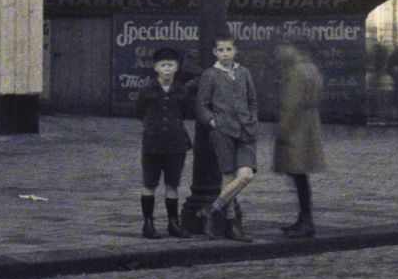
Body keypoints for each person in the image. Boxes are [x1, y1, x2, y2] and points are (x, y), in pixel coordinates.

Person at [195, 34, 259, 241]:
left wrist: (252, 121)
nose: (225, 54)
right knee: (229, 177)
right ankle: (232, 225)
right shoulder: (210, 75)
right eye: (221, 50)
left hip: (246, 132)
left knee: (246, 175)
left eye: (228, 49)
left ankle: (212, 209)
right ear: (215, 52)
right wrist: (213, 122)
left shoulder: (244, 73)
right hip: (223, 132)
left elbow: (252, 101)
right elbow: (201, 106)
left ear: (235, 51)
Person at [132, 46, 194, 238]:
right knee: (149, 183)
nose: (167, 68)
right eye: (163, 65)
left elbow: (186, 112)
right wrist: (153, 127)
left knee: (172, 184)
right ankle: (148, 223)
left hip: (175, 144)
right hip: (153, 144)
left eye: (171, 65)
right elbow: (140, 112)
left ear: (176, 68)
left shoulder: (181, 91)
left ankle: (173, 223)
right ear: (156, 67)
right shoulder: (147, 90)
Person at [273, 44, 325, 238]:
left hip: (297, 129)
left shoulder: (297, 72)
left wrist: (283, 129)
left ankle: (306, 220)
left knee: (298, 174)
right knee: (299, 176)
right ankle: (303, 218)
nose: (281, 52)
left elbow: (291, 103)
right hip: (308, 125)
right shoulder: (311, 69)